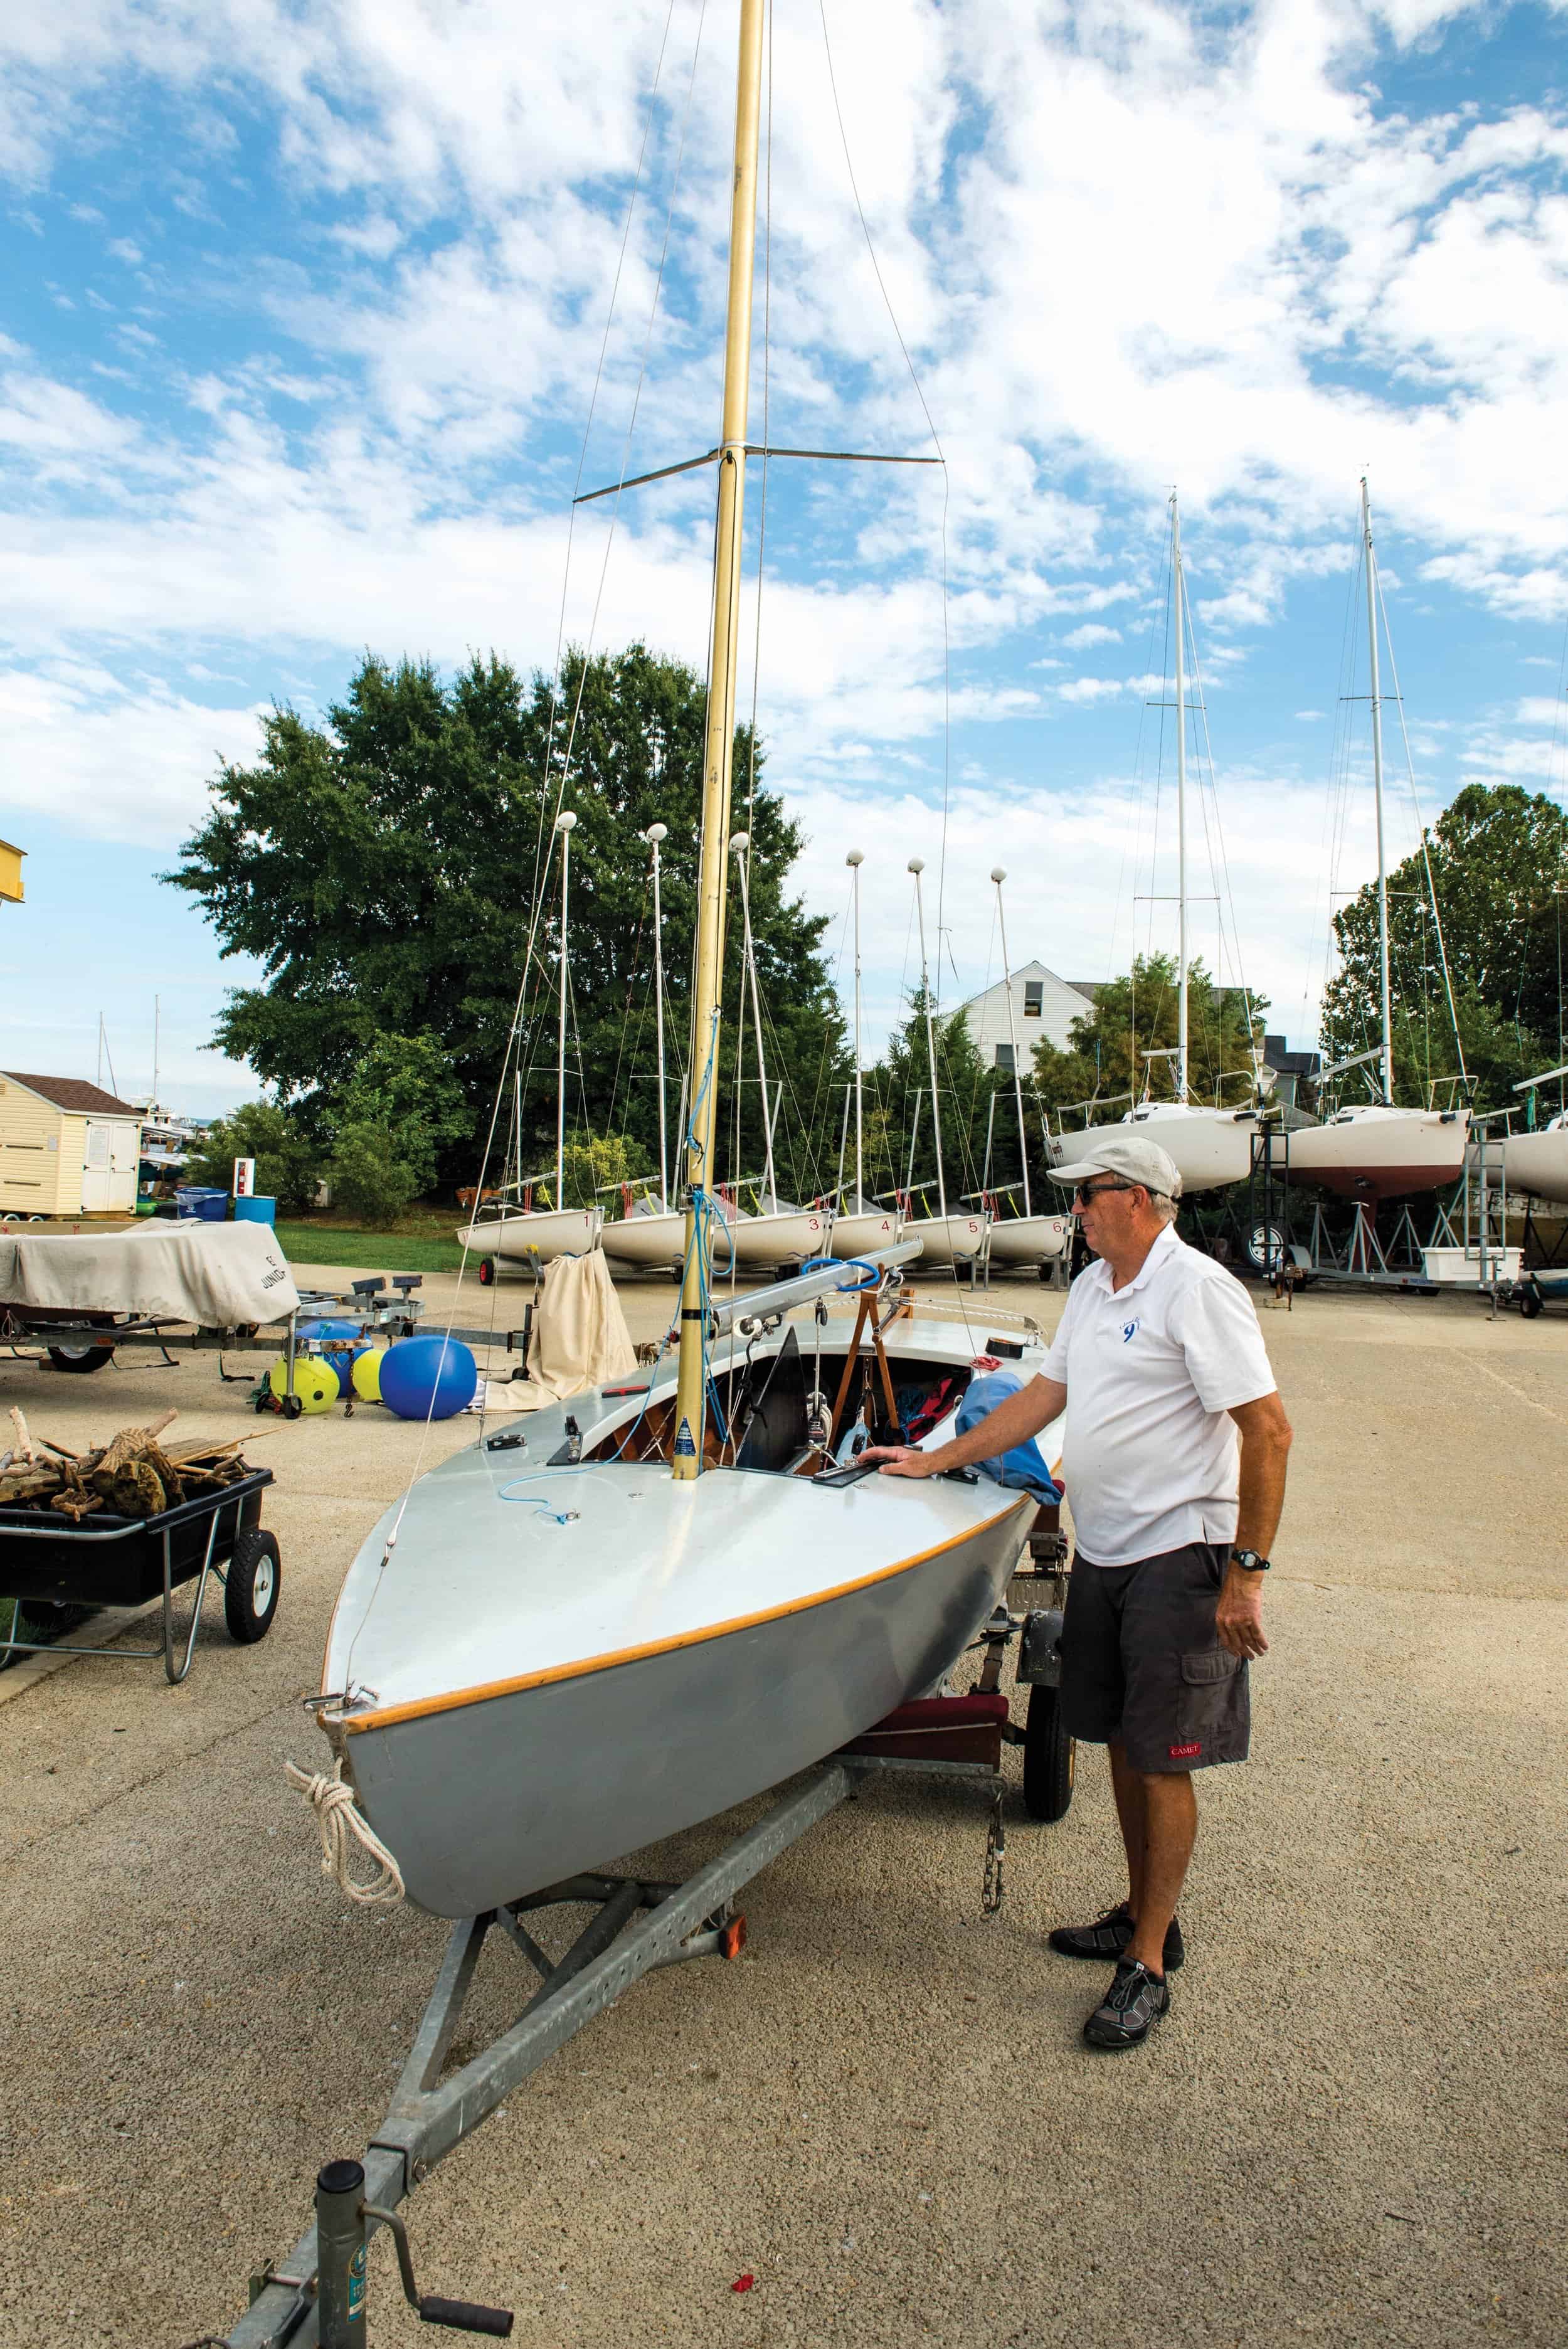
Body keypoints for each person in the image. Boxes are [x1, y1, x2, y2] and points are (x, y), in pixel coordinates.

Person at [861, 1135, 1291, 2052]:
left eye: (1088, 1195)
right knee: (1124, 1745)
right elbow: (1040, 1400)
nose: (1076, 1210)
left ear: (1138, 1199)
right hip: (1108, 1549)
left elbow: (1270, 1432)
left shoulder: (1197, 1289)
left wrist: (1248, 1574)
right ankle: (1145, 1915)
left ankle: (1148, 1964)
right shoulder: (1095, 1288)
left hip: (1184, 1553)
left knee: (1163, 1754)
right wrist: (933, 1456)